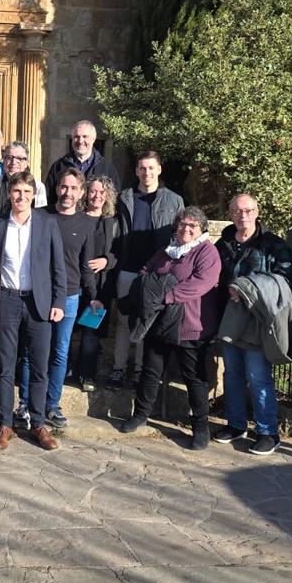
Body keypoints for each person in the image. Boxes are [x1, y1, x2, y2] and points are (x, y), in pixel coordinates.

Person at [119, 207, 222, 449]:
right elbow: (146, 271)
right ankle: (141, 414)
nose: (186, 229)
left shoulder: (207, 252)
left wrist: (165, 295)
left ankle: (200, 426)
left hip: (191, 325)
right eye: (183, 224)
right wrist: (147, 290)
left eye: (192, 226)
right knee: (150, 371)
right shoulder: (168, 250)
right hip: (160, 322)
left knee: (194, 378)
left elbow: (201, 283)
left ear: (201, 229)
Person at [0, 171, 66, 451]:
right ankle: (5, 423)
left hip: (39, 303)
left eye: (27, 193)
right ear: (9, 193)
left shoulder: (47, 223)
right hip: (6, 300)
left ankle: (39, 424)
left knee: (39, 367)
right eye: (17, 192)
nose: (21, 197)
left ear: (34, 195)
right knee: (6, 366)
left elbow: (58, 266)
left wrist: (58, 302)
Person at [212, 193, 292, 455]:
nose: (242, 215)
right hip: (229, 321)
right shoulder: (223, 244)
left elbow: (284, 279)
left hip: (258, 321)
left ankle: (267, 432)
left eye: (248, 210)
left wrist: (246, 289)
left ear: (257, 212)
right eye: (237, 211)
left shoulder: (273, 245)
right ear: (230, 213)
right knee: (232, 375)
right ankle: (236, 425)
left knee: (258, 377)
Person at [111, 151, 184, 387]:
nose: (147, 173)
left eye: (151, 168)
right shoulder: (125, 197)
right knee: (123, 320)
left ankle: (141, 370)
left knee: (148, 319)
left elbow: (179, 237)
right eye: (142, 168)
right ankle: (119, 368)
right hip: (128, 267)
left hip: (156, 273)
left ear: (159, 170)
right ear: (136, 171)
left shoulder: (174, 200)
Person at [36, 168, 99, 429]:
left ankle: (52, 404)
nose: (68, 192)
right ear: (57, 188)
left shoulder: (87, 223)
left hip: (71, 296)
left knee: (60, 352)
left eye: (74, 188)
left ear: (81, 192)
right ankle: (29, 403)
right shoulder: (40, 216)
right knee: (34, 352)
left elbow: (86, 264)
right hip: (39, 294)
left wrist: (94, 297)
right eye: (64, 187)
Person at [75, 175, 119, 392]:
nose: (97, 196)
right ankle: (64, 371)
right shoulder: (77, 217)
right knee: (68, 331)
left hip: (99, 285)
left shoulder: (112, 222)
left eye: (102, 192)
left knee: (91, 333)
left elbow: (120, 252)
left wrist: (107, 260)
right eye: (93, 191)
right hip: (75, 282)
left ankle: (86, 375)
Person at [0, 140, 48, 238]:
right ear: (3, 160)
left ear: (27, 162)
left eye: (19, 158)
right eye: (9, 158)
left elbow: (41, 222)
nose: (13, 162)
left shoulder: (38, 187)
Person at [43, 120, 121, 197]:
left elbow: (114, 198)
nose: (80, 141)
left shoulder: (107, 169)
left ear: (93, 139)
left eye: (85, 136)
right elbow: (49, 197)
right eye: (76, 137)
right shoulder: (58, 167)